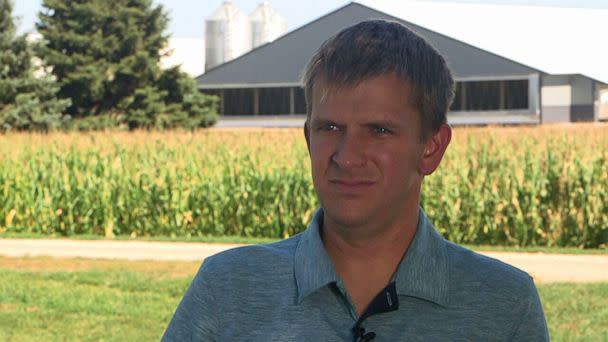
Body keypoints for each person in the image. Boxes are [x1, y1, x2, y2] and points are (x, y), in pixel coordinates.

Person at [162, 20, 549, 341]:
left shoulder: (504, 306)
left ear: (431, 148)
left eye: (379, 130)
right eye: (329, 127)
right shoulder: (228, 289)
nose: (346, 156)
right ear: (307, 137)